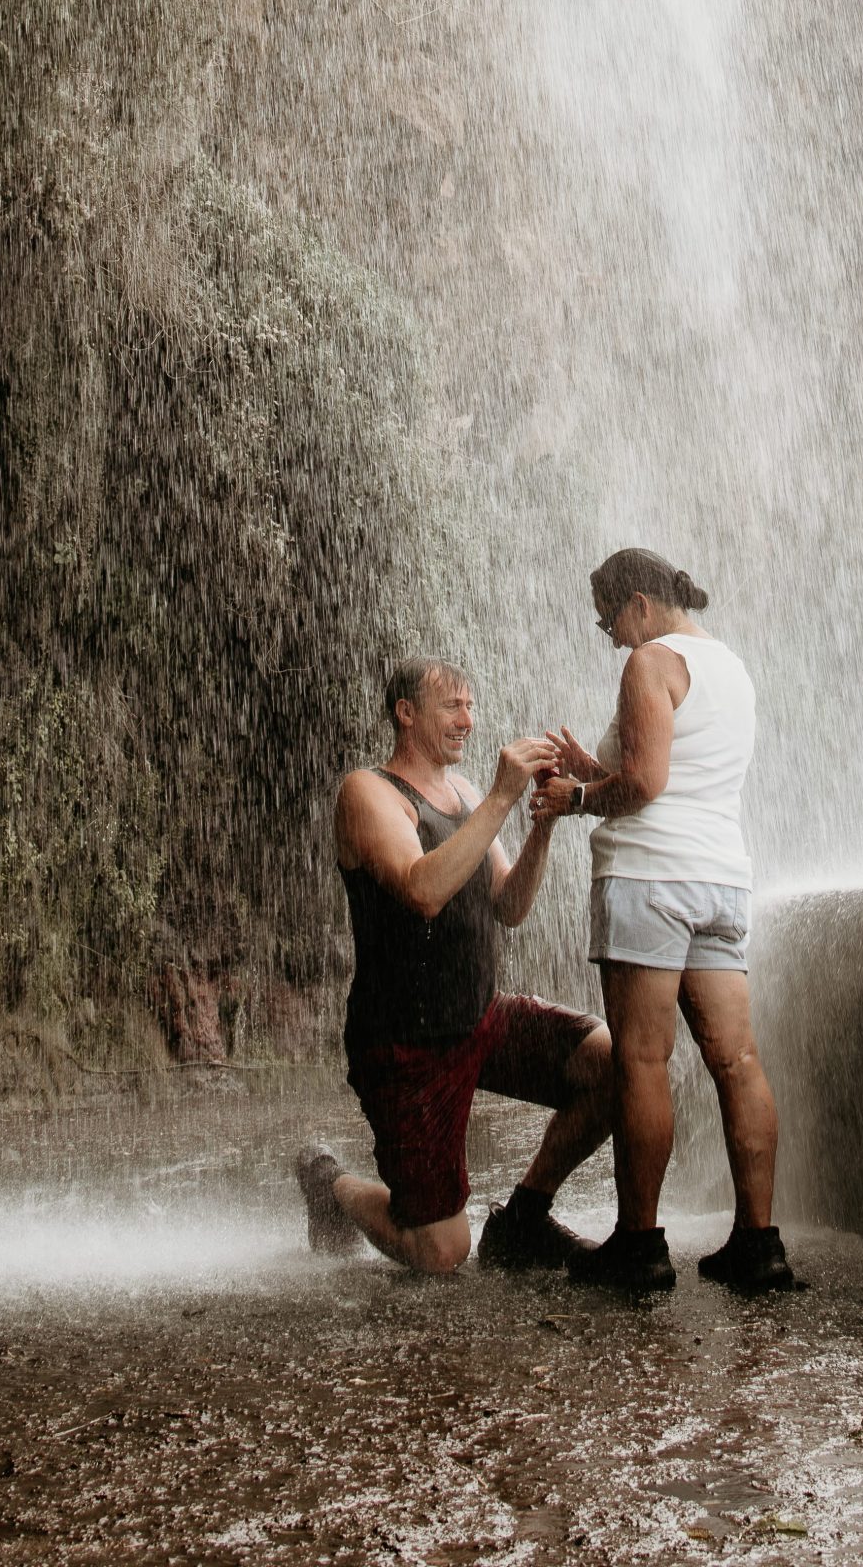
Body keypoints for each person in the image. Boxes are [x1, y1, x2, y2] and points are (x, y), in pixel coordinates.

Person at [530, 547, 799, 1295]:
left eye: (609, 619)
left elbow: (645, 787)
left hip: (650, 880)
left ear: (640, 605)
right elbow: (676, 778)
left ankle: (639, 1247)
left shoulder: (649, 663)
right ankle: (758, 1245)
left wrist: (574, 801)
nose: (612, 636)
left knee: (640, 1062)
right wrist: (589, 765)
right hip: (720, 881)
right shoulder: (732, 668)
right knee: (736, 1061)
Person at [295, 657, 613, 1273]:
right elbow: (423, 891)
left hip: (481, 1018)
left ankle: (524, 1215)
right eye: (451, 707)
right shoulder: (367, 792)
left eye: (470, 706)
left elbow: (509, 907)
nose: (468, 721)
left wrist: (541, 825)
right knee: (440, 1251)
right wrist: (500, 796)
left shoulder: (465, 794)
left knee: (615, 1063)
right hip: (406, 1045)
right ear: (405, 713)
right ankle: (329, 1181)